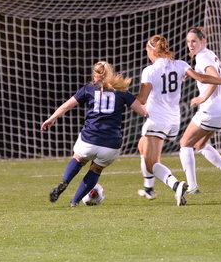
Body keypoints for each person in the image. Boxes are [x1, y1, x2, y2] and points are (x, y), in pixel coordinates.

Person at [136, 34, 221, 205]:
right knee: (142, 147)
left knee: (152, 163)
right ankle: (148, 188)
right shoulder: (181, 65)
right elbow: (202, 78)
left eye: (147, 51)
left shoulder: (149, 71)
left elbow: (142, 99)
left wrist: (124, 97)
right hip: (174, 121)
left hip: (157, 119)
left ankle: (178, 185)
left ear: (151, 51)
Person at [41, 61, 148, 207]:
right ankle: (75, 202)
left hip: (89, 140)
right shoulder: (122, 92)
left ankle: (64, 182)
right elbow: (143, 111)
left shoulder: (88, 89)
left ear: (94, 75)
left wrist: (51, 119)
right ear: (112, 74)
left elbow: (66, 106)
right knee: (96, 169)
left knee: (78, 159)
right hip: (111, 145)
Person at [178, 26, 221, 194]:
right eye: (188, 42)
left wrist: (203, 98)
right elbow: (208, 75)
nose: (190, 45)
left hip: (212, 107)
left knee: (185, 143)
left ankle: (192, 187)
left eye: (194, 41)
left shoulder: (202, 57)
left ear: (203, 41)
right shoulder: (208, 54)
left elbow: (214, 77)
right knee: (200, 144)